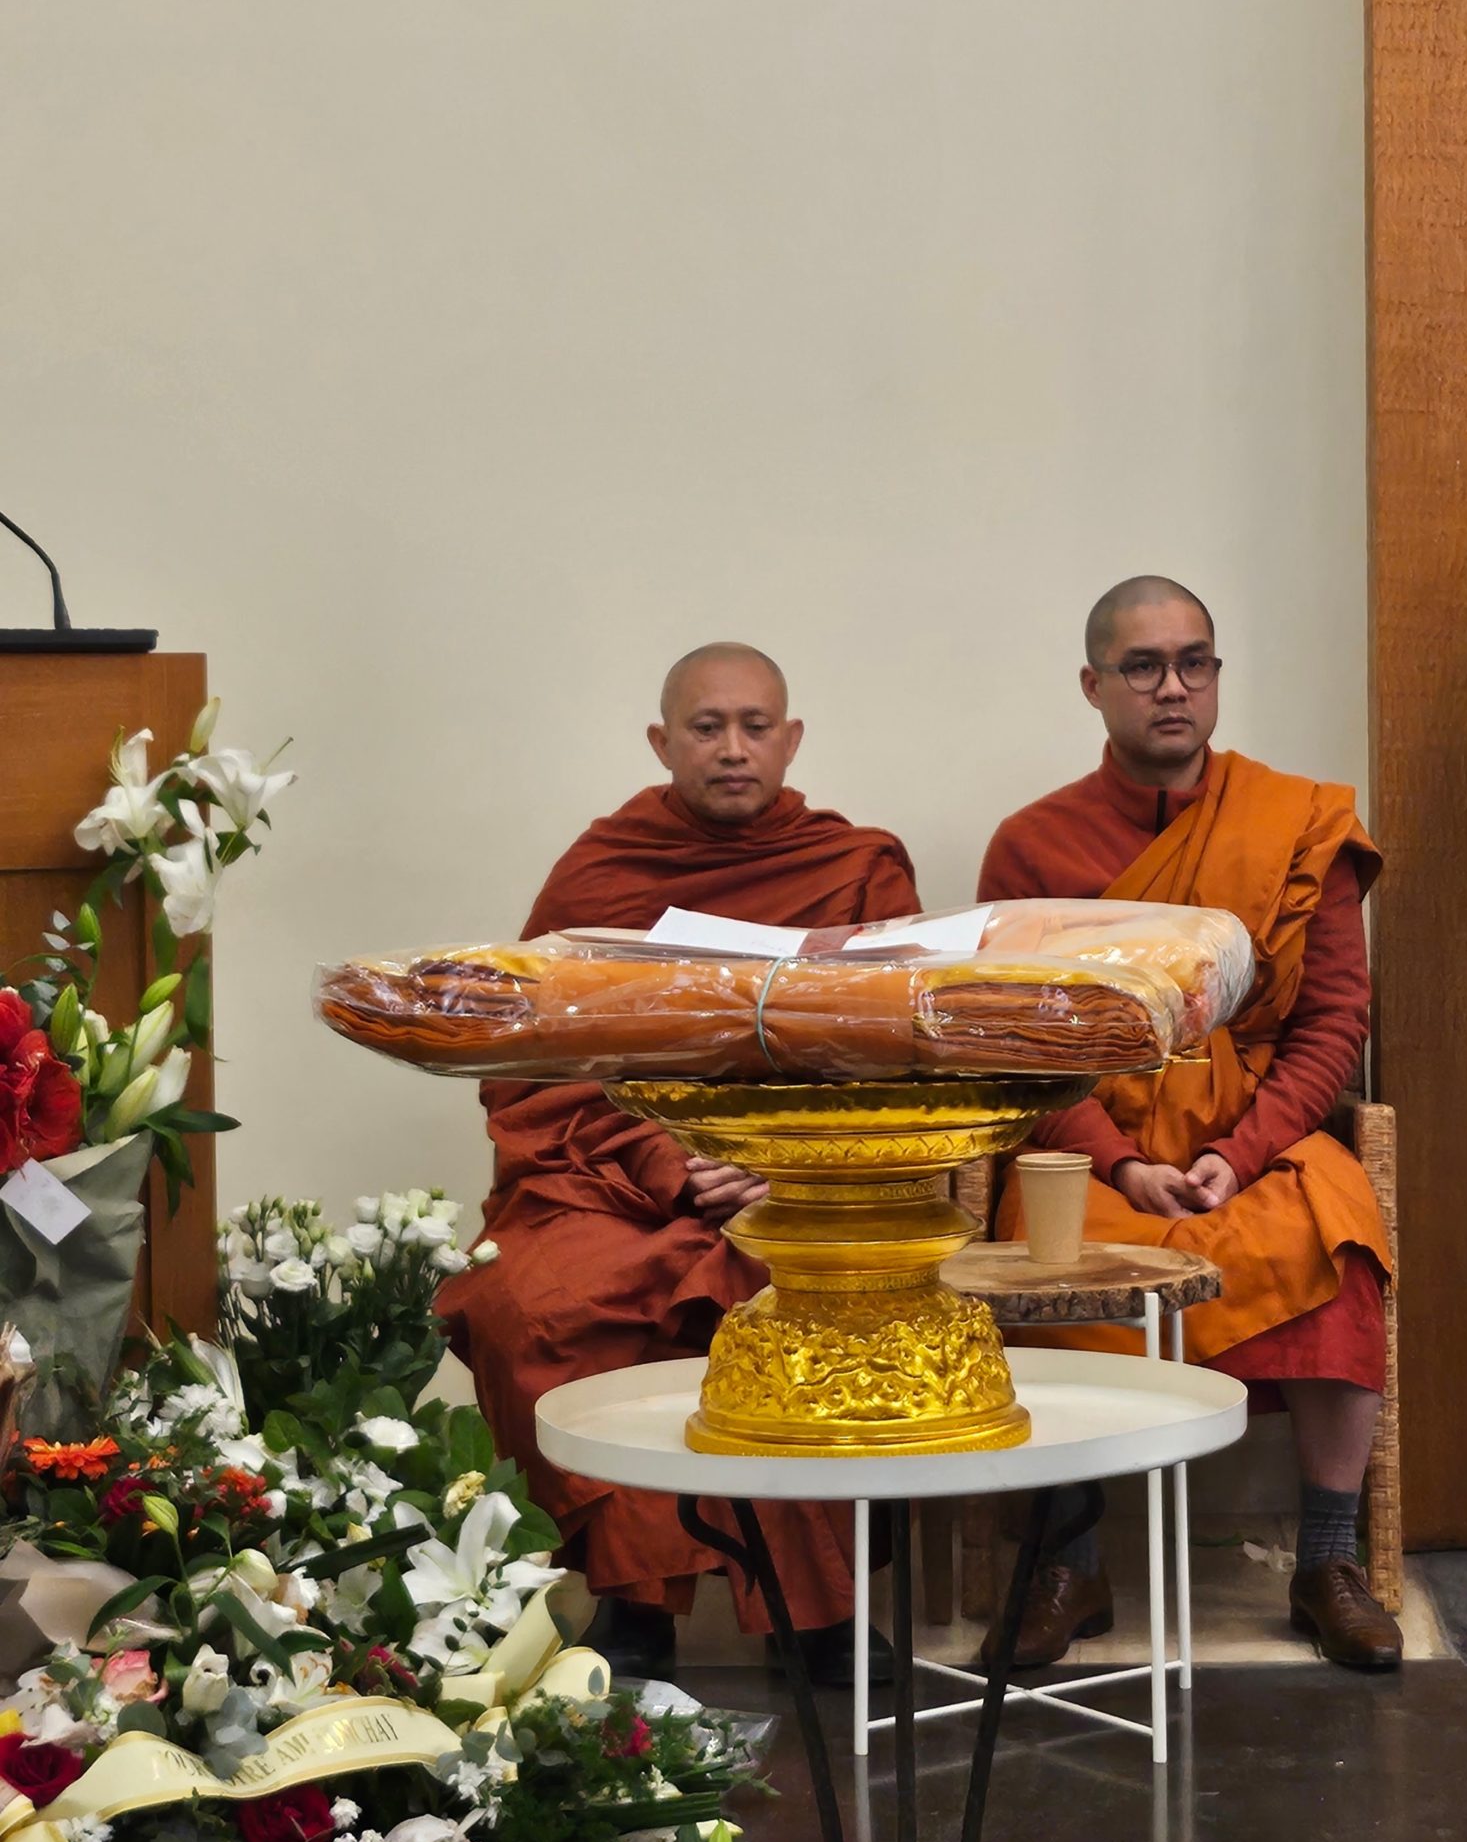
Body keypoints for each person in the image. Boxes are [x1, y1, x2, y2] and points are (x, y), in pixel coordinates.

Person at [439, 644, 919, 1685]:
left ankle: (817, 1613)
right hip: (614, 1174)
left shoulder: (854, 868)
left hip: (805, 1178)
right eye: (708, 728)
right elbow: (535, 1056)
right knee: (529, 1301)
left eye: (756, 726)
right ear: (663, 743)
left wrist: (780, 1159)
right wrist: (670, 1160)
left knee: (810, 1297)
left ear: (792, 740)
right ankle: (633, 1598)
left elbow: (893, 1047)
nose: (733, 748)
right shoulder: (603, 871)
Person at [976, 576, 1401, 1671]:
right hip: (1093, 1142)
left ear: (1215, 676)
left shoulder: (1298, 823)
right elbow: (1019, 1041)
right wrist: (1120, 1162)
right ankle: (1069, 1564)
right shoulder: (1032, 844)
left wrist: (1237, 1152)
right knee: (1041, 1253)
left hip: (1254, 1135)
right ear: (1094, 685)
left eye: (1193, 663)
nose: (1173, 687)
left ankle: (1327, 1561)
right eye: (1143, 666)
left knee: (1339, 1235)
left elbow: (1333, 1022)